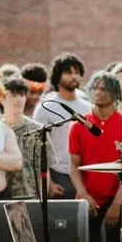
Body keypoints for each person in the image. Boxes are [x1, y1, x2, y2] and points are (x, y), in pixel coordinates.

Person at [69, 71, 122, 242]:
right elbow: (74, 165)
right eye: (95, 87)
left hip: (117, 198)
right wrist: (83, 195)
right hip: (87, 200)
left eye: (104, 88)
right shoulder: (79, 125)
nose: (98, 92)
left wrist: (117, 203)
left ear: (115, 93)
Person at [32, 53, 91, 198]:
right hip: (58, 175)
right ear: (57, 76)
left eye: (77, 72)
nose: (74, 76)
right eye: (68, 73)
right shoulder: (46, 107)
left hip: (85, 174)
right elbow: (37, 149)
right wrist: (49, 183)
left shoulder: (89, 107)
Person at [2, 77, 55, 199]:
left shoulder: (38, 130)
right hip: (2, 197)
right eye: (13, 95)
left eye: (22, 95)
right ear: (1, 99)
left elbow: (44, 170)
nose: (18, 99)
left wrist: (41, 201)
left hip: (31, 196)